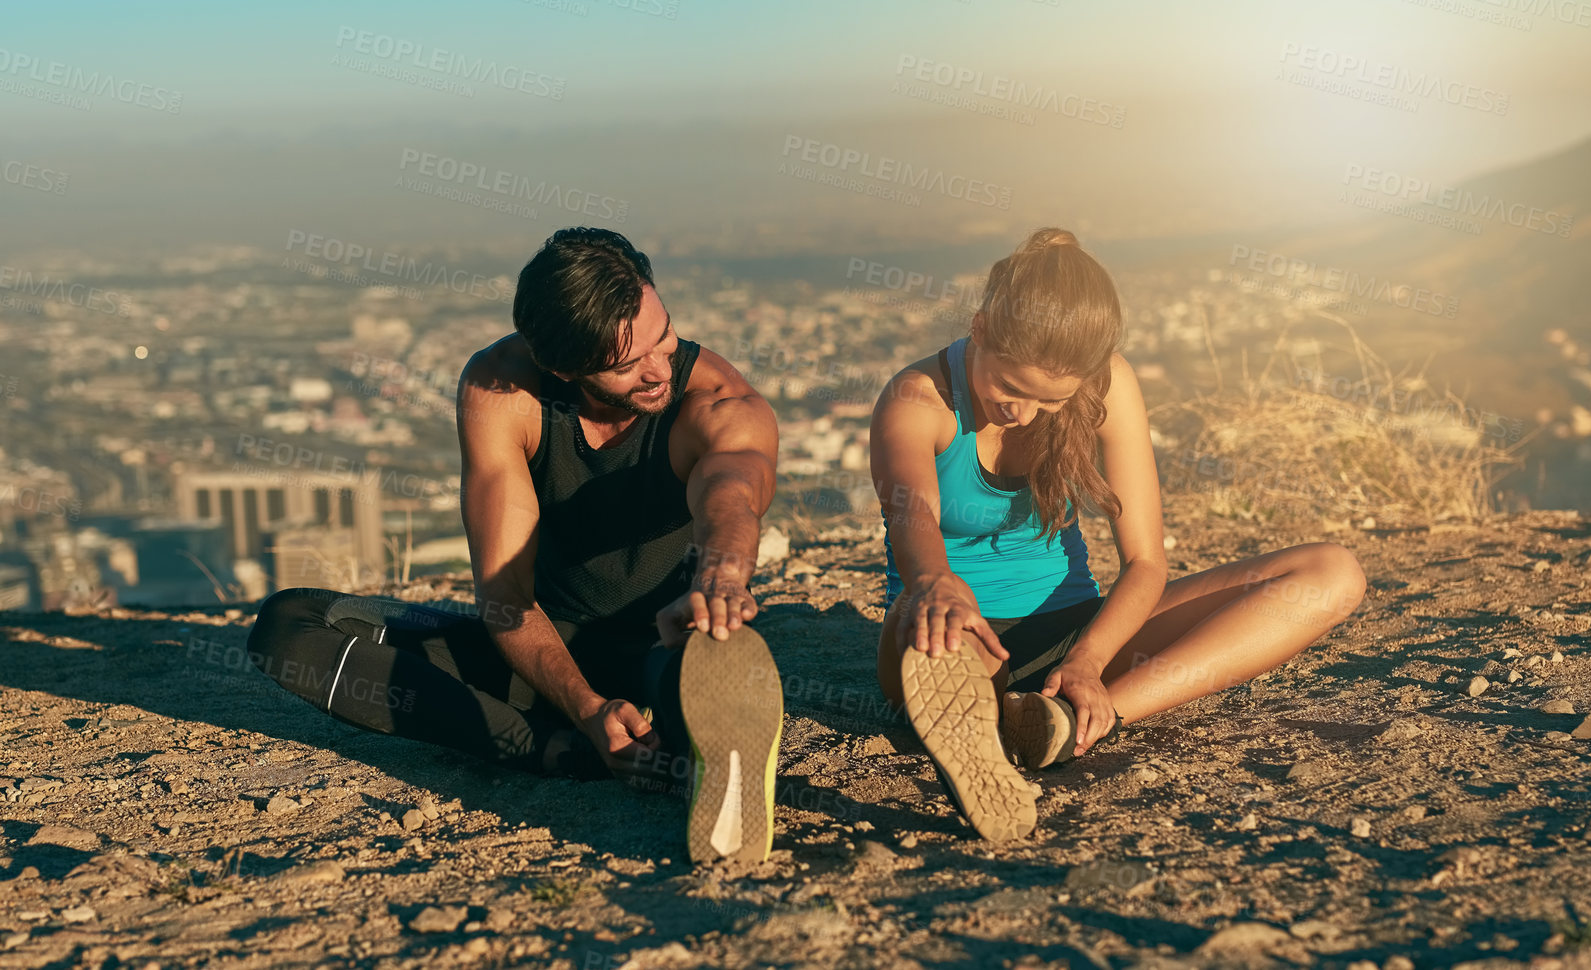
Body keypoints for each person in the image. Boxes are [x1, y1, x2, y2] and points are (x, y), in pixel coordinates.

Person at [248, 228, 785, 864]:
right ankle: (560, 749)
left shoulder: (719, 403)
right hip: (543, 651)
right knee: (291, 624)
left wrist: (720, 579)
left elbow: (732, 492)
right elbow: (505, 598)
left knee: (706, 679)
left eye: (663, 335)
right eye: (626, 364)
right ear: (563, 368)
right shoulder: (504, 391)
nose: (659, 368)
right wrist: (585, 709)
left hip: (669, 644)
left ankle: (692, 746)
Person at [871, 228, 1367, 841]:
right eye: (1008, 387)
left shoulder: (1108, 383)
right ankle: (974, 717)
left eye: (1048, 401)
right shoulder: (916, 400)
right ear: (979, 327)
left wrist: (1088, 661)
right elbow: (910, 518)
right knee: (936, 629)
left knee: (1331, 573)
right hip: (944, 636)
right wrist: (935, 583)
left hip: (1076, 632)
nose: (1021, 413)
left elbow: (1145, 563)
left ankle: (1061, 722)